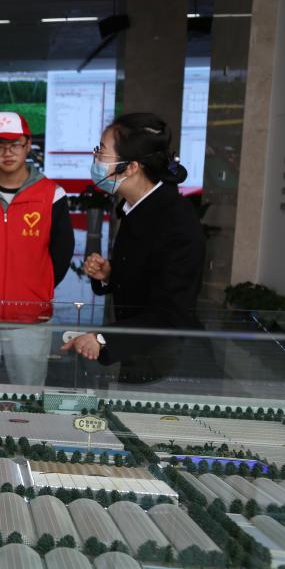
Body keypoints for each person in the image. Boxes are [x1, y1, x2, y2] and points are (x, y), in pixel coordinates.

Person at [62, 112, 206, 383]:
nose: (96, 159)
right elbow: (147, 274)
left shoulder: (176, 222)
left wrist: (103, 339)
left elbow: (170, 313)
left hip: (163, 363)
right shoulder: (135, 209)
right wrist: (112, 274)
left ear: (130, 167)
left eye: (102, 152)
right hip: (138, 353)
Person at [0, 111, 74, 385]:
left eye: (15, 144)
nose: (7, 152)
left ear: (28, 144)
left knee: (28, 392)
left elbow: (61, 253)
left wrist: (36, 286)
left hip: (30, 314)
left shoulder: (51, 194)